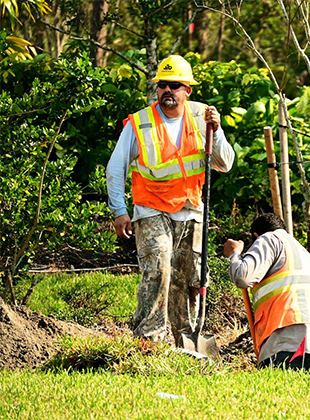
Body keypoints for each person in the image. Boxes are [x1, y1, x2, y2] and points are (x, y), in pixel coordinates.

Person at [106, 55, 235, 347]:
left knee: (190, 278)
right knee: (159, 269)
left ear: (187, 90)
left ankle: (185, 341)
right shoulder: (139, 123)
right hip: (151, 208)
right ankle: (149, 341)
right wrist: (119, 211)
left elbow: (224, 164)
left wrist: (218, 130)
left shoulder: (203, 117)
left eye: (174, 85)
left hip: (191, 211)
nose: (167, 90)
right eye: (162, 85)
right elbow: (116, 169)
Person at [223, 213, 310, 374]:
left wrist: (234, 254)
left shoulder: (268, 239)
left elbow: (242, 276)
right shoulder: (303, 253)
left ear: (256, 236)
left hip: (290, 339)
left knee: (286, 397)